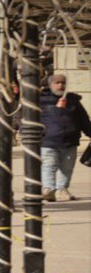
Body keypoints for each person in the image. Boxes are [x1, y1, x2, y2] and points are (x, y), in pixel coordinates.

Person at [39, 73, 91, 202]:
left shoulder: (73, 101)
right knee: (49, 165)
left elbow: (83, 120)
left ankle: (62, 189)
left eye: (63, 83)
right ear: (50, 84)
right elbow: (31, 118)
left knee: (66, 167)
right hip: (49, 141)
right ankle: (49, 189)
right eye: (57, 82)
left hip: (70, 141)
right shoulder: (42, 100)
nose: (60, 85)